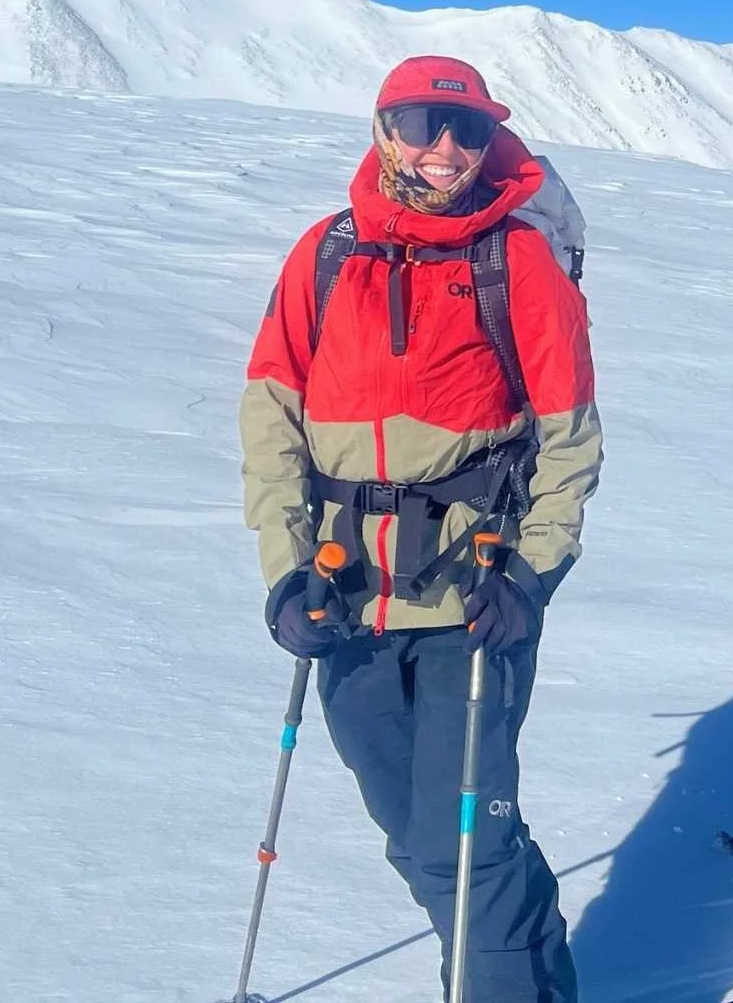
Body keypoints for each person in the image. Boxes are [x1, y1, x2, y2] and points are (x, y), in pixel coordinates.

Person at [240, 55, 600, 1002]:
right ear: (383, 128)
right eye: (422, 124)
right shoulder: (324, 253)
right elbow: (271, 420)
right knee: (417, 834)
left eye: (467, 130)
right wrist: (285, 573)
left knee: (463, 841)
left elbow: (570, 442)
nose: (445, 148)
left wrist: (527, 577)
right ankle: (527, 983)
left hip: (472, 601)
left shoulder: (516, 260)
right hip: (345, 595)